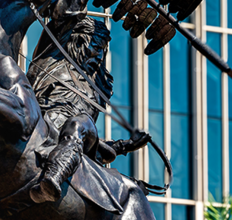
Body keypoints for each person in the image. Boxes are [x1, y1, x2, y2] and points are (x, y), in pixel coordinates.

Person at [25, 13, 151, 203]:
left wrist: (127, 145)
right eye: (96, 47)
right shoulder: (53, 59)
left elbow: (89, 143)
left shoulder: (93, 92)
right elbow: (64, 14)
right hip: (40, 125)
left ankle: (53, 178)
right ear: (77, 41)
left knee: (82, 123)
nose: (100, 56)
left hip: (72, 140)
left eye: (103, 50)